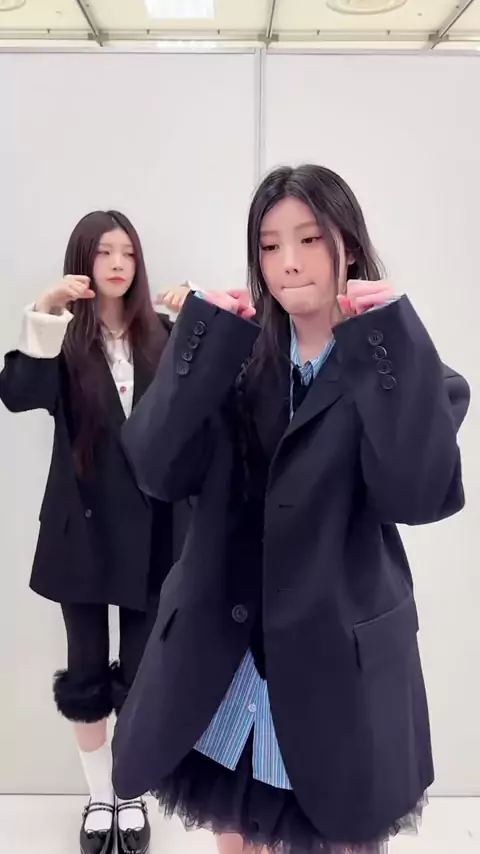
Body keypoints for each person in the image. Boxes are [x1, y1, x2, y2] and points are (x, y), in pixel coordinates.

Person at [111, 166, 470, 854]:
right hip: (223, 661)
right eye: (270, 245)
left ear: (348, 247)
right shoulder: (235, 360)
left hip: (335, 670)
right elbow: (155, 470)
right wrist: (199, 340)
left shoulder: (409, 374)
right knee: (237, 836)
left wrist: (388, 339)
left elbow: (417, 494)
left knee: (341, 836)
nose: (289, 262)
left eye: (309, 239)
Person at [0, 211, 190, 854]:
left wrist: (201, 321)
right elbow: (17, 393)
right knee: (85, 673)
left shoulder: (163, 336)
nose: (117, 264)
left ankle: (129, 792)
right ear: (82, 261)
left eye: (127, 252)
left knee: (139, 673)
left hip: (153, 532)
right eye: (104, 252)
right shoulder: (64, 342)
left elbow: (215, 398)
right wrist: (45, 309)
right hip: (80, 533)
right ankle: (99, 797)